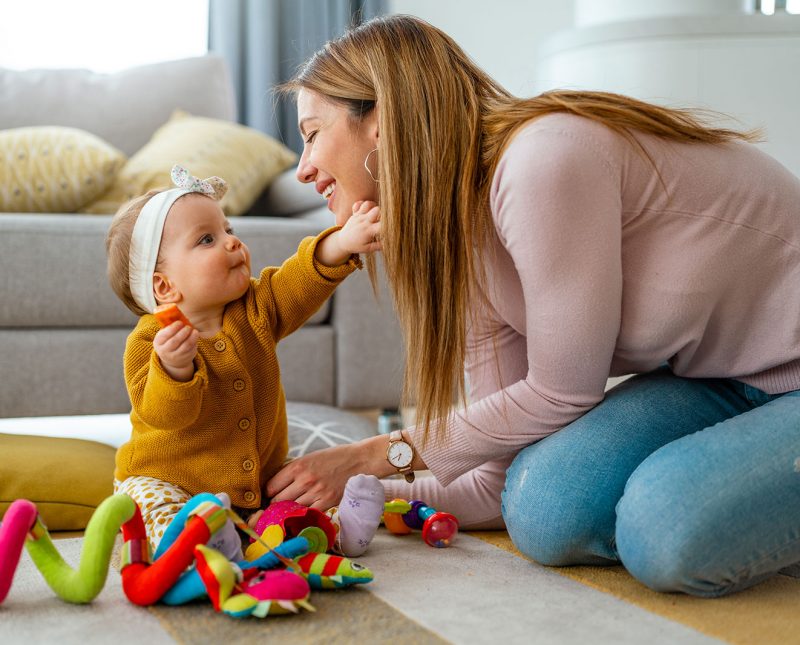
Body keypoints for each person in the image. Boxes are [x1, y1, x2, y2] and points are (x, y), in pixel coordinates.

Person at [265, 14, 800, 597]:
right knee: (543, 510)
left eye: (312, 133)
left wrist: (372, 456)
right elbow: (492, 483)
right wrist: (350, 495)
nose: (303, 168)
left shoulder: (541, 161)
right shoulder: (462, 239)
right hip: (715, 379)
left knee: (663, 528)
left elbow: (563, 392)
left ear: (381, 122)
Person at [105, 165, 385, 559]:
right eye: (207, 239)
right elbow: (165, 416)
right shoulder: (150, 342)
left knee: (295, 494)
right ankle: (200, 543)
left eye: (228, 230)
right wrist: (174, 370)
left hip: (255, 482)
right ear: (164, 286)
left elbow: (298, 280)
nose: (232, 242)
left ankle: (338, 528)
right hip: (169, 480)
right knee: (147, 503)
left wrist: (342, 242)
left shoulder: (255, 306)